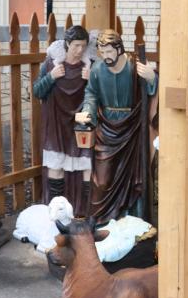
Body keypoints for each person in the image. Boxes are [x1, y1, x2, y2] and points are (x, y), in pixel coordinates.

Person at [75, 30, 157, 224]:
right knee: (102, 180)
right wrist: (88, 111)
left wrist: (152, 78)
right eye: (102, 52)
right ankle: (104, 222)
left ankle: (133, 223)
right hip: (107, 130)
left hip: (132, 128)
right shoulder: (97, 70)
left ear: (119, 49)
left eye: (110, 51)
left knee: (134, 178)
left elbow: (152, 90)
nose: (106, 56)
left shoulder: (132, 65)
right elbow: (91, 95)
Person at [33, 25, 92, 216]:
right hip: (56, 120)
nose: (79, 50)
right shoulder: (52, 64)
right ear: (67, 44)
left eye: (83, 46)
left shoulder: (89, 66)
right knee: (56, 165)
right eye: (76, 45)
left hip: (82, 119)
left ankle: (86, 211)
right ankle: (54, 212)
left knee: (86, 164)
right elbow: (37, 91)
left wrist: (92, 79)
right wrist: (51, 77)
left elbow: (100, 95)